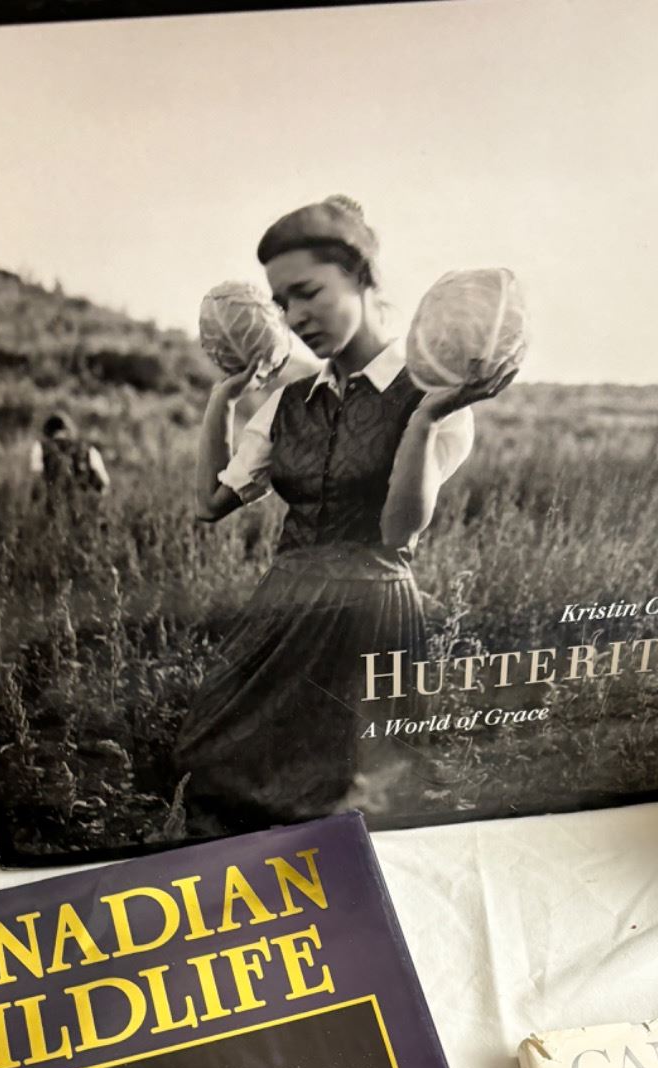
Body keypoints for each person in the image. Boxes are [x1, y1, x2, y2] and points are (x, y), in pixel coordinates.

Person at [177, 195, 519, 832]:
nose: (295, 317)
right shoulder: (289, 402)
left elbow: (397, 532)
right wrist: (223, 399)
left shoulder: (432, 399)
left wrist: (424, 421)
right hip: (282, 611)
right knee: (218, 768)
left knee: (351, 796)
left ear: (363, 278)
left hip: (370, 619)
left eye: (308, 293)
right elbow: (209, 504)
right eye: (282, 302)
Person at [29, 410, 110, 501]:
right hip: (83, 502)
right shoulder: (88, 449)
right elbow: (104, 481)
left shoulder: (41, 447)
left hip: (54, 501)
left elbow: (36, 477)